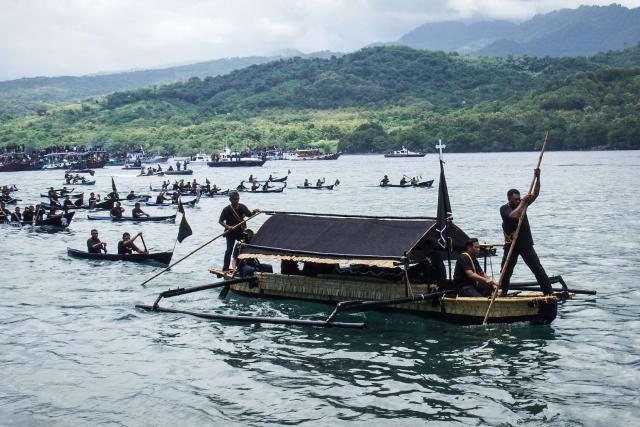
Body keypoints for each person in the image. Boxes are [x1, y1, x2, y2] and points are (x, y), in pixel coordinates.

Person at [499, 168, 553, 296]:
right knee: (505, 271)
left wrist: (538, 178)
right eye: (515, 199)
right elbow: (514, 216)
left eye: (519, 199)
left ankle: (548, 293)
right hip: (511, 245)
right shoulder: (504, 209)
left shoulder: (523, 205)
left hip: (525, 245)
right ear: (509, 199)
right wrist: (523, 202)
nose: (518, 201)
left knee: (537, 269)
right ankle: (503, 292)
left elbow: (536, 193)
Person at [219, 191, 260, 271]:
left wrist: (255, 211)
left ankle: (248, 265)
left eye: (238, 199)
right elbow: (220, 221)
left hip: (240, 231)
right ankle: (225, 268)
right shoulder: (226, 209)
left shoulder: (242, 207)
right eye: (234, 199)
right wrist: (228, 226)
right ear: (230, 199)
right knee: (229, 250)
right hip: (230, 233)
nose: (236, 201)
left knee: (246, 247)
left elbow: (249, 215)